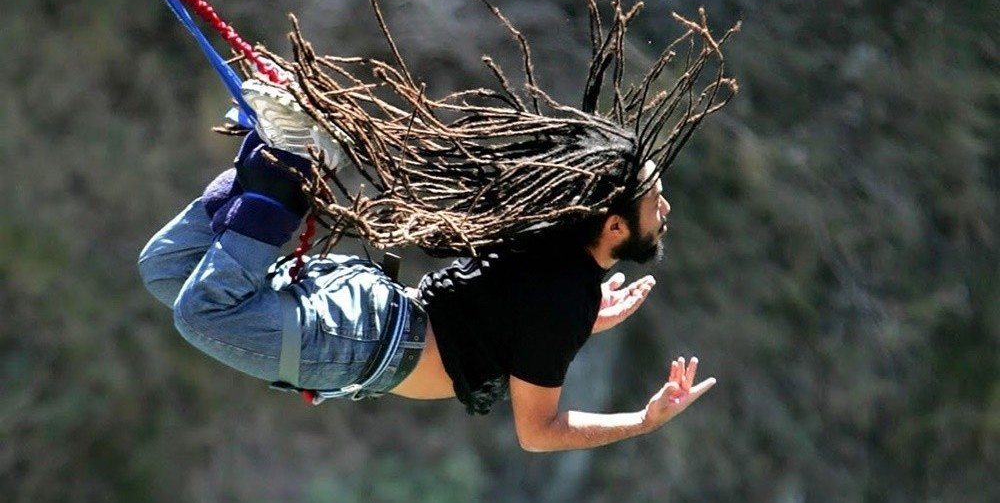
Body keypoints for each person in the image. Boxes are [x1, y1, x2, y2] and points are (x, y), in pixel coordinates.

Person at [138, 93, 716, 453]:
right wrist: (642, 420)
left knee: (165, 270)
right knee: (199, 313)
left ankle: (266, 164)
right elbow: (538, 432)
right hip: (364, 345)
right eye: (654, 202)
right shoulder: (567, 297)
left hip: (370, 301)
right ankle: (285, 161)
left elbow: (503, 322)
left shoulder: (549, 232)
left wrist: (583, 324)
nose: (666, 212)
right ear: (614, 226)